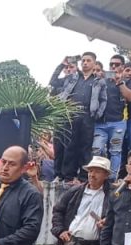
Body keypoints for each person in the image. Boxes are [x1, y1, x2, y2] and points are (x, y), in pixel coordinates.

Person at [51, 52, 108, 183]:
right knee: (69, 146)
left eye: (88, 60)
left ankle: (83, 177)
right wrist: (62, 65)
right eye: (83, 61)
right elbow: (53, 82)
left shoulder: (99, 81)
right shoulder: (72, 77)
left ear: (94, 63)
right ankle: (67, 176)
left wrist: (97, 114)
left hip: (87, 116)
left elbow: (103, 99)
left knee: (85, 147)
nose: (85, 63)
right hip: (71, 114)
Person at [95, 55, 131, 179]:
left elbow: (130, 97)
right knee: (96, 149)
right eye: (111, 64)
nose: (113, 66)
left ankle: (112, 179)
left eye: (117, 64)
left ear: (123, 67)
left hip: (118, 122)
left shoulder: (127, 81)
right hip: (100, 122)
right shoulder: (102, 80)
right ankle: (99, 176)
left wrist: (119, 82)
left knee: (115, 151)